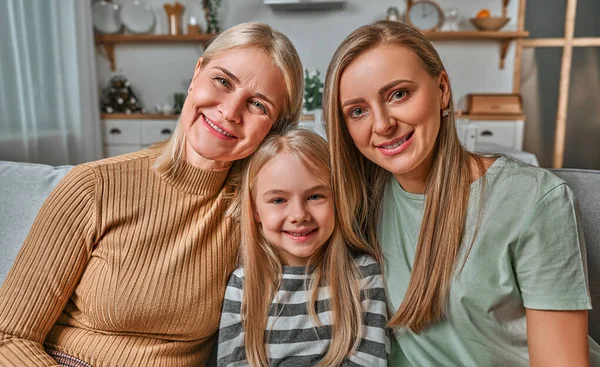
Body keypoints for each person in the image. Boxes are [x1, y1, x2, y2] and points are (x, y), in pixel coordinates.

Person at [0, 22, 303, 367]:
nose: (230, 112)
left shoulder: (262, 210)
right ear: (196, 75)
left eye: (258, 105)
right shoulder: (94, 187)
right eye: (222, 81)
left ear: (275, 128)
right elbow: (9, 336)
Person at [323, 20, 600, 366]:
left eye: (398, 94)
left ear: (442, 90)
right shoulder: (360, 203)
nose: (381, 125)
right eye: (358, 111)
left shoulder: (533, 199)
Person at [216, 128, 389, 367]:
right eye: (278, 200)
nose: (299, 215)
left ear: (337, 199)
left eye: (315, 196)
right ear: (255, 210)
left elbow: (369, 362)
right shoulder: (243, 285)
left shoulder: (363, 276)